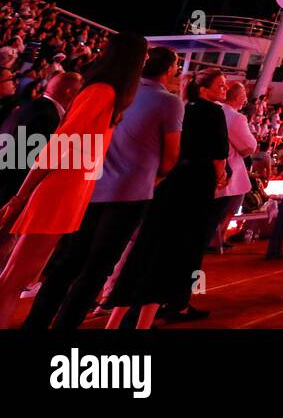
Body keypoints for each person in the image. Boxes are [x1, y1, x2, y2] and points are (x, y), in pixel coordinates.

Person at [21, 47, 183, 330]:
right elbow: (171, 157)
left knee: (68, 262)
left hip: (92, 186)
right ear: (169, 70)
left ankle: (36, 322)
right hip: (132, 191)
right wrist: (157, 175)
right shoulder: (168, 102)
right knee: (97, 269)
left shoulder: (116, 93)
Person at [0, 31, 148, 328]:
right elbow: (59, 145)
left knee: (20, 276)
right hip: (57, 191)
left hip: (69, 193)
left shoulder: (112, 97)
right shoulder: (102, 92)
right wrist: (22, 195)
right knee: (16, 277)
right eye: (143, 55)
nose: (146, 61)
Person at [104, 67, 230, 328]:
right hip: (195, 187)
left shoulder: (183, 108)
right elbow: (219, 154)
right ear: (204, 89)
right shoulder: (212, 113)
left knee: (147, 249)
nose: (224, 90)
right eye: (221, 86)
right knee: (176, 254)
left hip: (168, 185)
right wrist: (219, 177)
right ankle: (154, 315)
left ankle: (118, 320)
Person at [0, 70, 83, 206]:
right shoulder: (48, 118)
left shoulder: (32, 106)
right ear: (70, 93)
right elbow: (27, 164)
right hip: (10, 194)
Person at [210, 81, 257, 251]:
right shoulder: (235, 117)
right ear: (236, 97)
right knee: (226, 204)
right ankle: (216, 238)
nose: (245, 100)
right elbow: (249, 146)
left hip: (211, 165)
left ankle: (217, 237)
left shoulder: (213, 108)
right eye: (244, 96)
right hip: (227, 169)